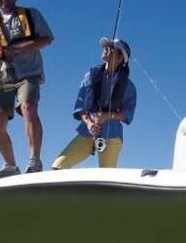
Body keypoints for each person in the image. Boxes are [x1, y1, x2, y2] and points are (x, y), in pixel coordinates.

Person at [0, 0, 53, 179]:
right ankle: (11, 165)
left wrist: (17, 48)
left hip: (28, 72)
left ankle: (34, 160)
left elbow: (47, 38)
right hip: (2, 74)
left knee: (29, 107)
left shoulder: (30, 15)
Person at [52, 37, 137, 169]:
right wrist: (90, 123)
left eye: (111, 48)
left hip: (112, 136)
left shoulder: (129, 87)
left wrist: (107, 116)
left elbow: (127, 115)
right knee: (58, 166)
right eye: (106, 46)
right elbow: (80, 108)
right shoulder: (89, 76)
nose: (106, 48)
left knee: (106, 176)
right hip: (87, 133)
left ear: (120, 58)